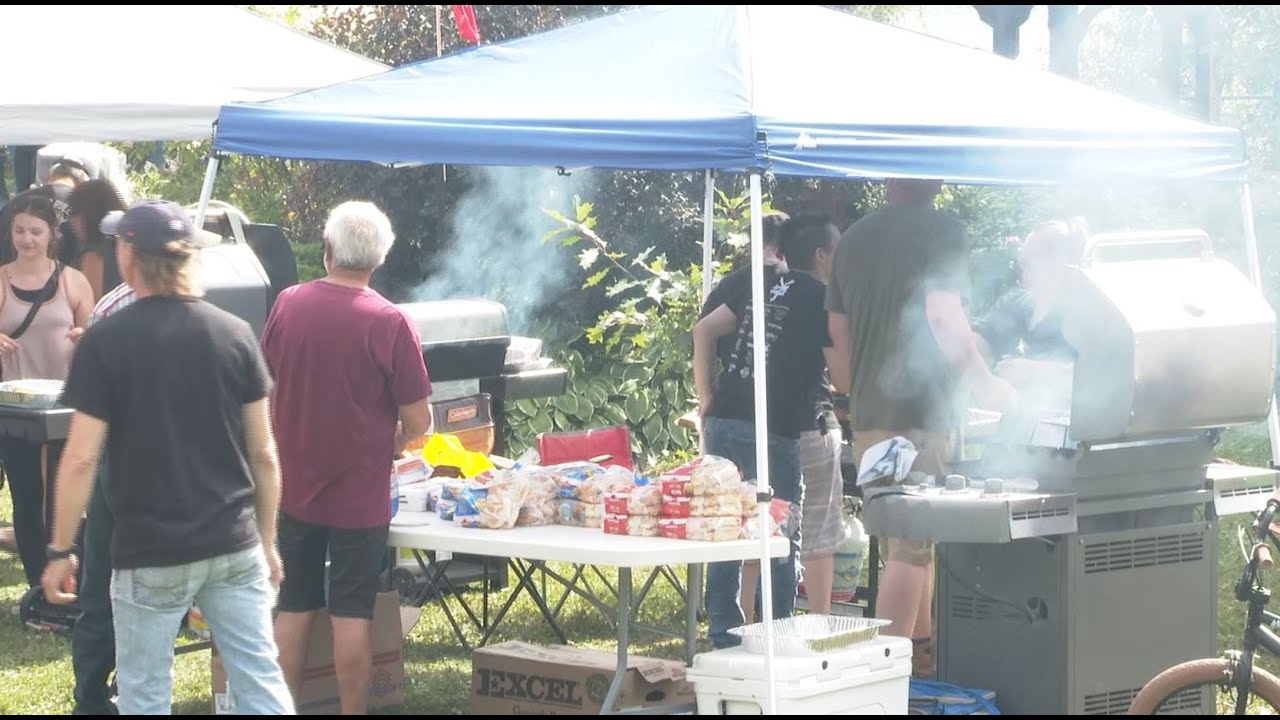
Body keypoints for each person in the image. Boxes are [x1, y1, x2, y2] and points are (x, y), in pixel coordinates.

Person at [41, 199, 295, 715]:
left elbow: (81, 459)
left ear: (128, 256)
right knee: (260, 682)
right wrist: (267, 542)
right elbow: (264, 454)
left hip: (150, 550)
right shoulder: (235, 332)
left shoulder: (106, 339)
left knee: (145, 695)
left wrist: (60, 549)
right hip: (233, 542)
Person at [825, 178, 1013, 678]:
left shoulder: (853, 239)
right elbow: (943, 316)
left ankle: (921, 669)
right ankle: (882, 678)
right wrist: (987, 383)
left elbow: (836, 333)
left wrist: (856, 389)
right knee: (911, 548)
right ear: (937, 181)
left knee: (904, 543)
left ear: (889, 181)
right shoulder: (942, 230)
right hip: (923, 415)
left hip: (870, 417)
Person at [262, 201, 432, 715]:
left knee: (293, 606)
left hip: (294, 486)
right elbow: (420, 420)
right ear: (378, 259)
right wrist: (397, 438)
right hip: (360, 497)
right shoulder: (390, 321)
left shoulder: (289, 303)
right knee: (352, 613)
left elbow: (264, 381)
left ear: (327, 249)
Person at [693, 211, 843, 649]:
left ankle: (724, 635)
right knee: (780, 533)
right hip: (778, 426)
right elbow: (843, 378)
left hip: (725, 417)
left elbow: (704, 328)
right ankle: (781, 637)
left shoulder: (760, 283)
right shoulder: (823, 298)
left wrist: (706, 397)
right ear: (821, 255)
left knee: (727, 526)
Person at [0, 191, 93, 603]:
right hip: (15, 405)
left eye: (35, 232)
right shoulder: (2, 279)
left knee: (63, 490)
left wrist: (83, 336)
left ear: (52, 234)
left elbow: (95, 336)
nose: (27, 239)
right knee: (25, 493)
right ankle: (38, 585)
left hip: (65, 403)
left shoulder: (73, 281)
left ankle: (68, 576)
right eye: (19, 231)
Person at [975, 218, 1089, 367]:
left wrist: (1033, 370)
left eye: (1031, 257)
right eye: (1023, 259)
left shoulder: (1085, 315)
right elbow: (982, 338)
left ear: (1058, 262)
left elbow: (1098, 370)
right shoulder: (1016, 302)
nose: (1022, 261)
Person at [64, 180, 129, 301]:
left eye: (73, 212)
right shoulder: (130, 246)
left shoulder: (93, 256)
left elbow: (91, 301)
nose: (71, 221)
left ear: (88, 214)